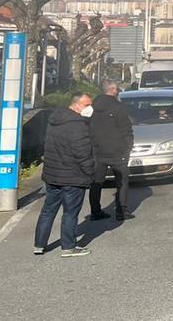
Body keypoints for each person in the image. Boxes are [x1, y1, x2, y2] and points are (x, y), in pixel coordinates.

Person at [34, 92, 96, 257]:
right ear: (76, 105)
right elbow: (82, 154)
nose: (90, 108)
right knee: (70, 212)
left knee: (48, 210)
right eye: (86, 105)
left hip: (52, 174)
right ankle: (68, 246)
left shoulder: (55, 120)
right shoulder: (78, 125)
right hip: (73, 176)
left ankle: (39, 244)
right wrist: (91, 174)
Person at [88, 80, 135, 221]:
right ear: (113, 90)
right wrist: (128, 147)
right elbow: (126, 129)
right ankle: (122, 211)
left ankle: (95, 211)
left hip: (96, 150)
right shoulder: (118, 107)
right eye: (117, 89)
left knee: (96, 182)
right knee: (122, 180)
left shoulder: (92, 107)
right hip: (117, 151)